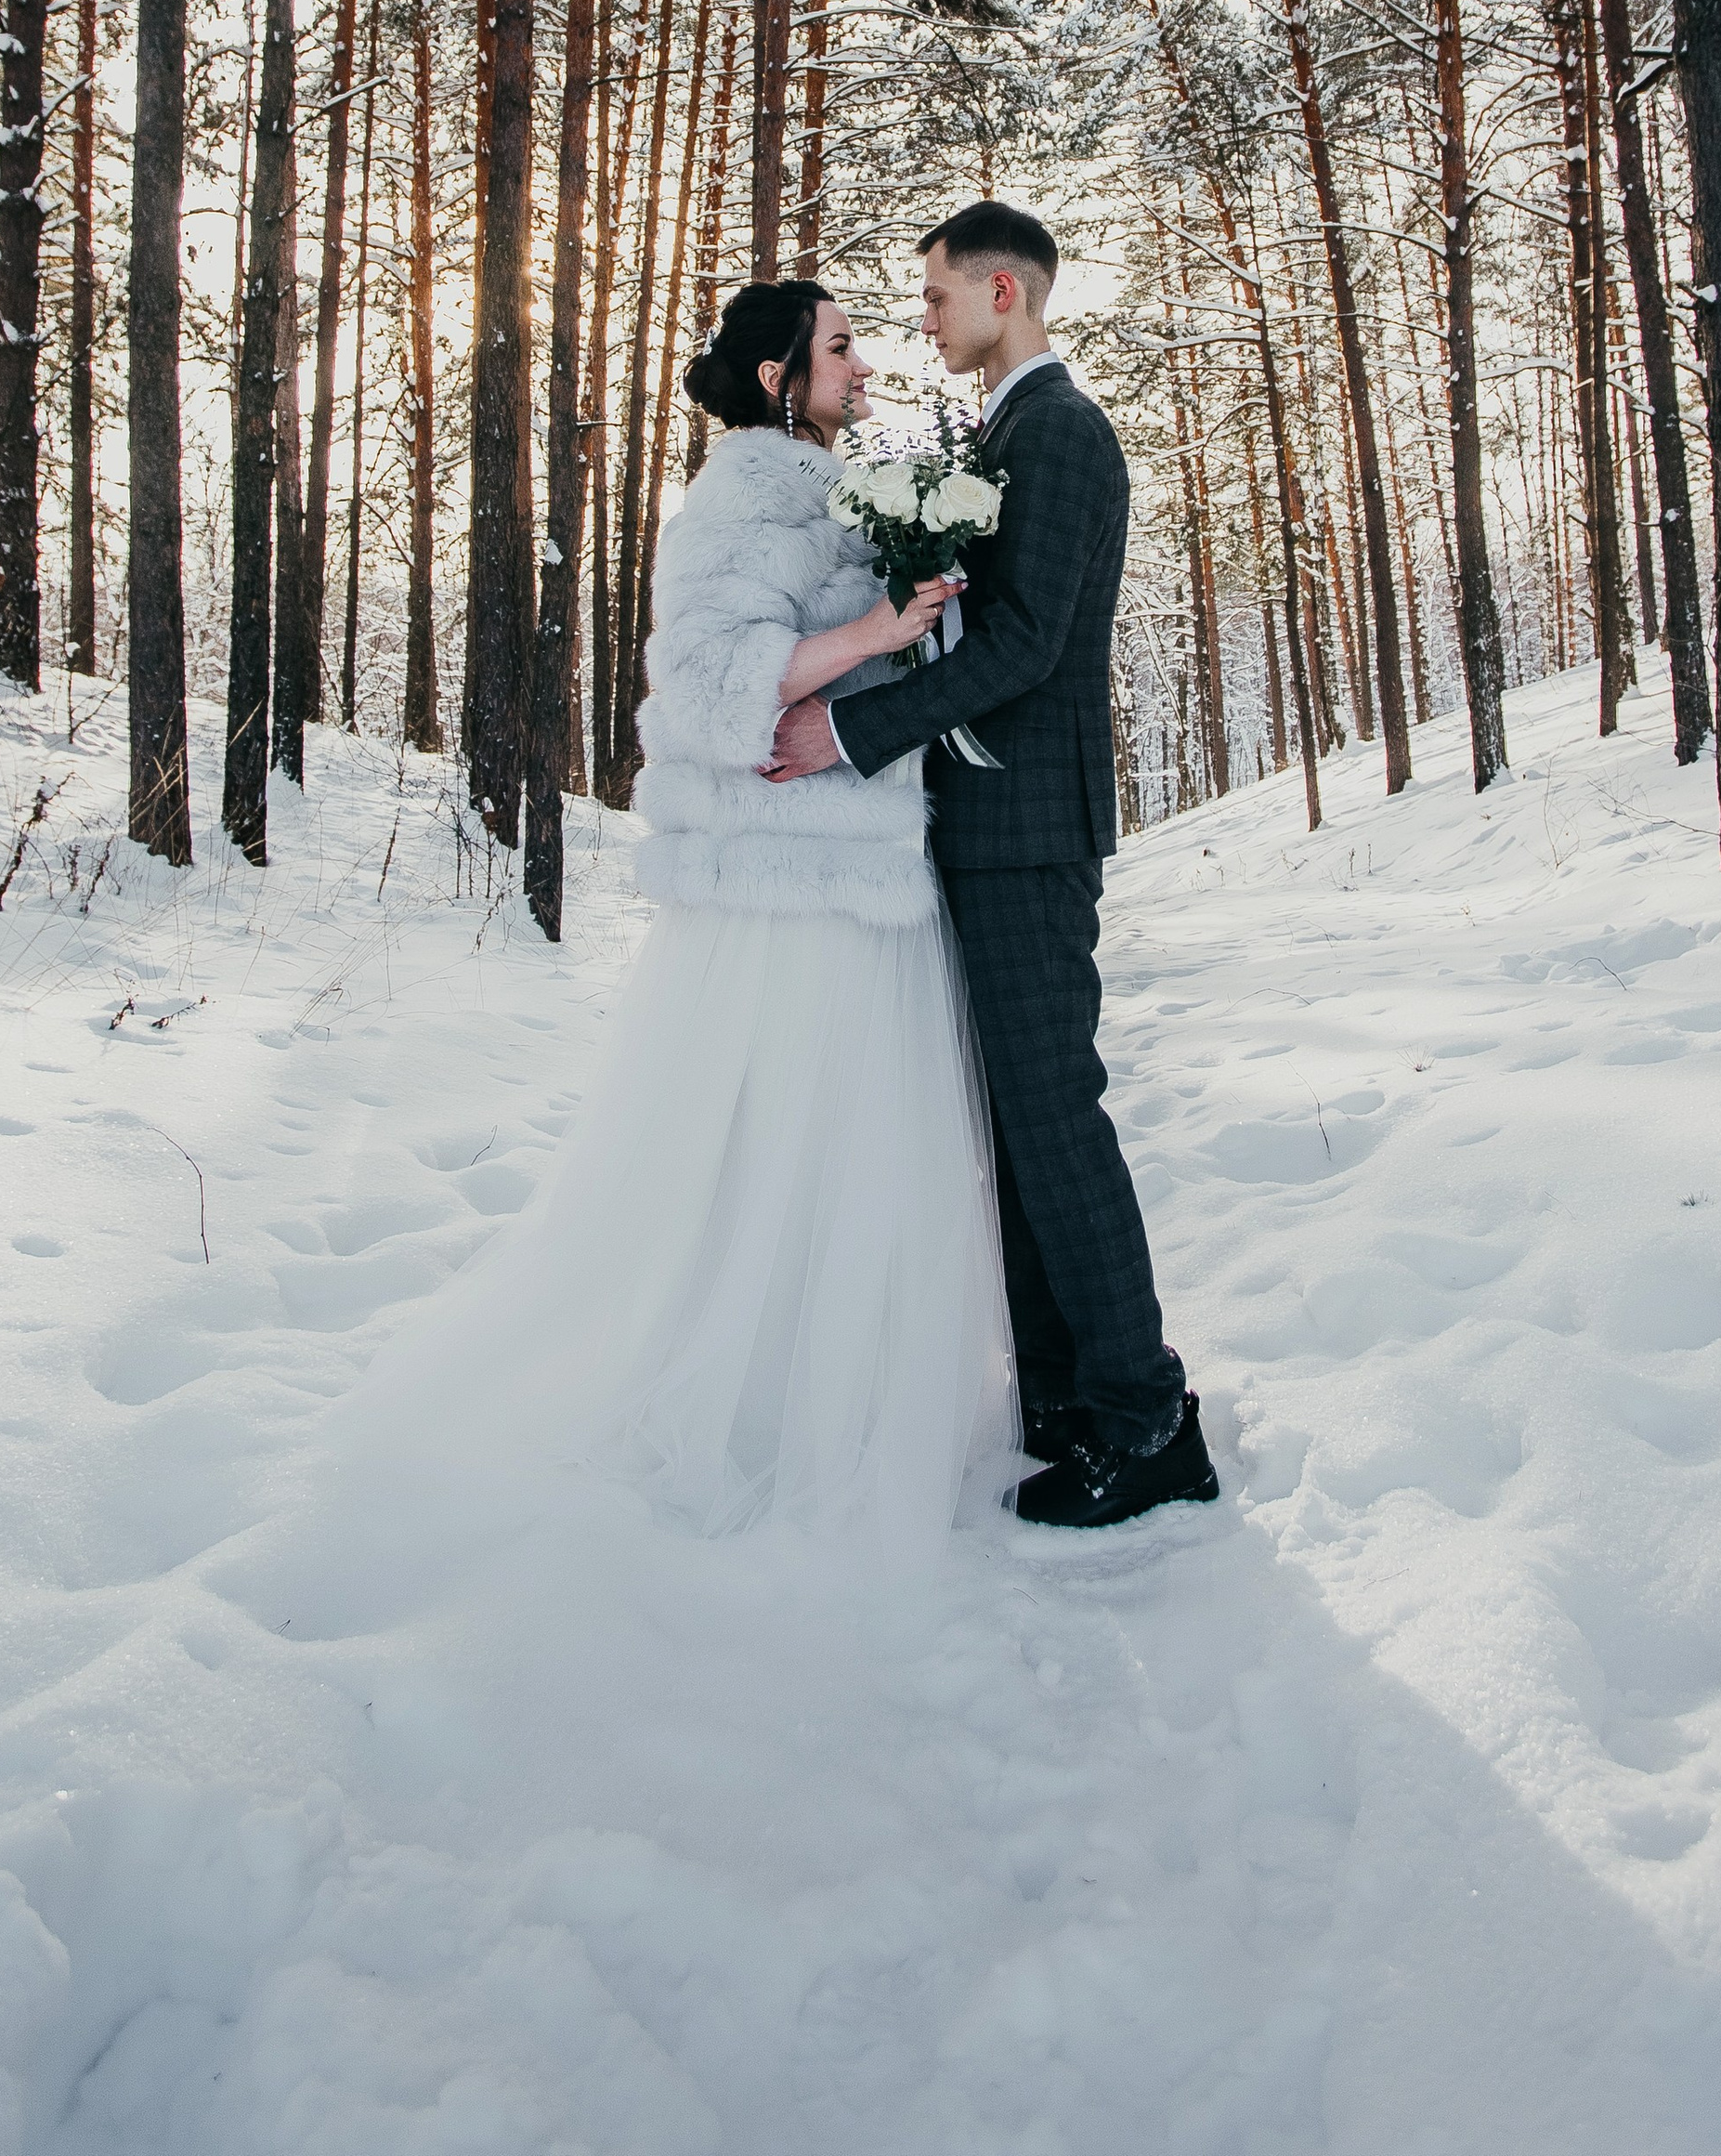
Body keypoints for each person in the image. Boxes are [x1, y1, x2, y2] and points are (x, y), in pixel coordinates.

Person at [411, 278, 1018, 1560]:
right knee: (779, 1149)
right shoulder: (741, 494)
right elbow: (706, 687)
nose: (863, 366)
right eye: (841, 348)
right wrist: (874, 628)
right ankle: (753, 1417)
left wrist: (924, 607)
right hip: (781, 887)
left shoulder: (828, 487)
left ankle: (844, 1403)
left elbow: (876, 647)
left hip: (861, 869)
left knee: (855, 1156)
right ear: (773, 376)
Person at [764, 201, 1218, 1530]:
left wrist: (848, 728)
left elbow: (1022, 649)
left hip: (1026, 833)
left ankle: (1149, 1423)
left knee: (1056, 1124)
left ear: (1004, 290)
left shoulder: (1061, 434)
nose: (925, 319)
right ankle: (1070, 1399)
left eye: (939, 296)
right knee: (1019, 1132)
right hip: (982, 826)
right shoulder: (1006, 433)